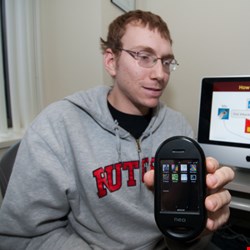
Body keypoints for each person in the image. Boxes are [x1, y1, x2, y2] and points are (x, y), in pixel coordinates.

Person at [0, 10, 234, 250]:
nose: (160, 74)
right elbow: (21, 238)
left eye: (166, 61)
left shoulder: (178, 128)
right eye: (144, 56)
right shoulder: (59, 126)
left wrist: (195, 230)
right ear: (111, 61)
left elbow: (185, 234)